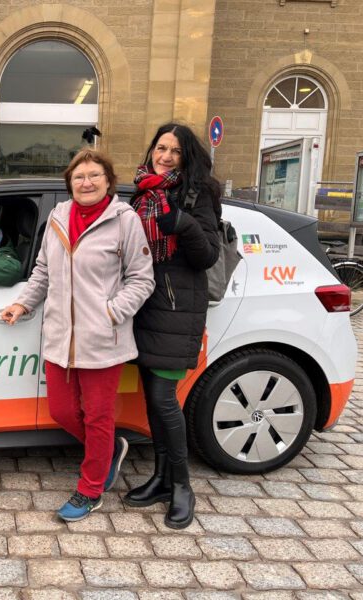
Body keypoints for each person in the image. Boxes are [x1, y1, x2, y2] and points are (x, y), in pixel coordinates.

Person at [1, 149, 154, 521]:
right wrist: (23, 304)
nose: (86, 182)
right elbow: (42, 271)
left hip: (103, 339)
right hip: (59, 337)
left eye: (94, 176)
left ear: (108, 181)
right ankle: (109, 452)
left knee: (98, 417)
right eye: (79, 177)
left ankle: (90, 489)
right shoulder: (57, 217)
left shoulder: (124, 221)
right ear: (70, 183)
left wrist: (111, 312)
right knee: (63, 411)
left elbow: (142, 278)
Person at [124, 122, 221, 529]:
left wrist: (180, 221)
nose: (164, 156)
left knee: (165, 398)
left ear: (187, 157)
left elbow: (208, 256)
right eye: (160, 148)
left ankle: (183, 486)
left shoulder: (198, 193)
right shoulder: (141, 192)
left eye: (174, 151)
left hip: (177, 306)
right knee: (152, 397)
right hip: (144, 305)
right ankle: (162, 479)